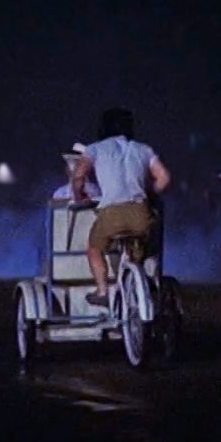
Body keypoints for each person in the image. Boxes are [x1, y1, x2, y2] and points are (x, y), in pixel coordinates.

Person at [72, 107, 171, 307]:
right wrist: (148, 193)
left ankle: (102, 291)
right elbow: (164, 177)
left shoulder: (94, 149)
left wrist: (79, 197)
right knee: (145, 244)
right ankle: (145, 280)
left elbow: (78, 177)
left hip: (111, 213)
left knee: (94, 248)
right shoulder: (143, 149)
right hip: (140, 212)